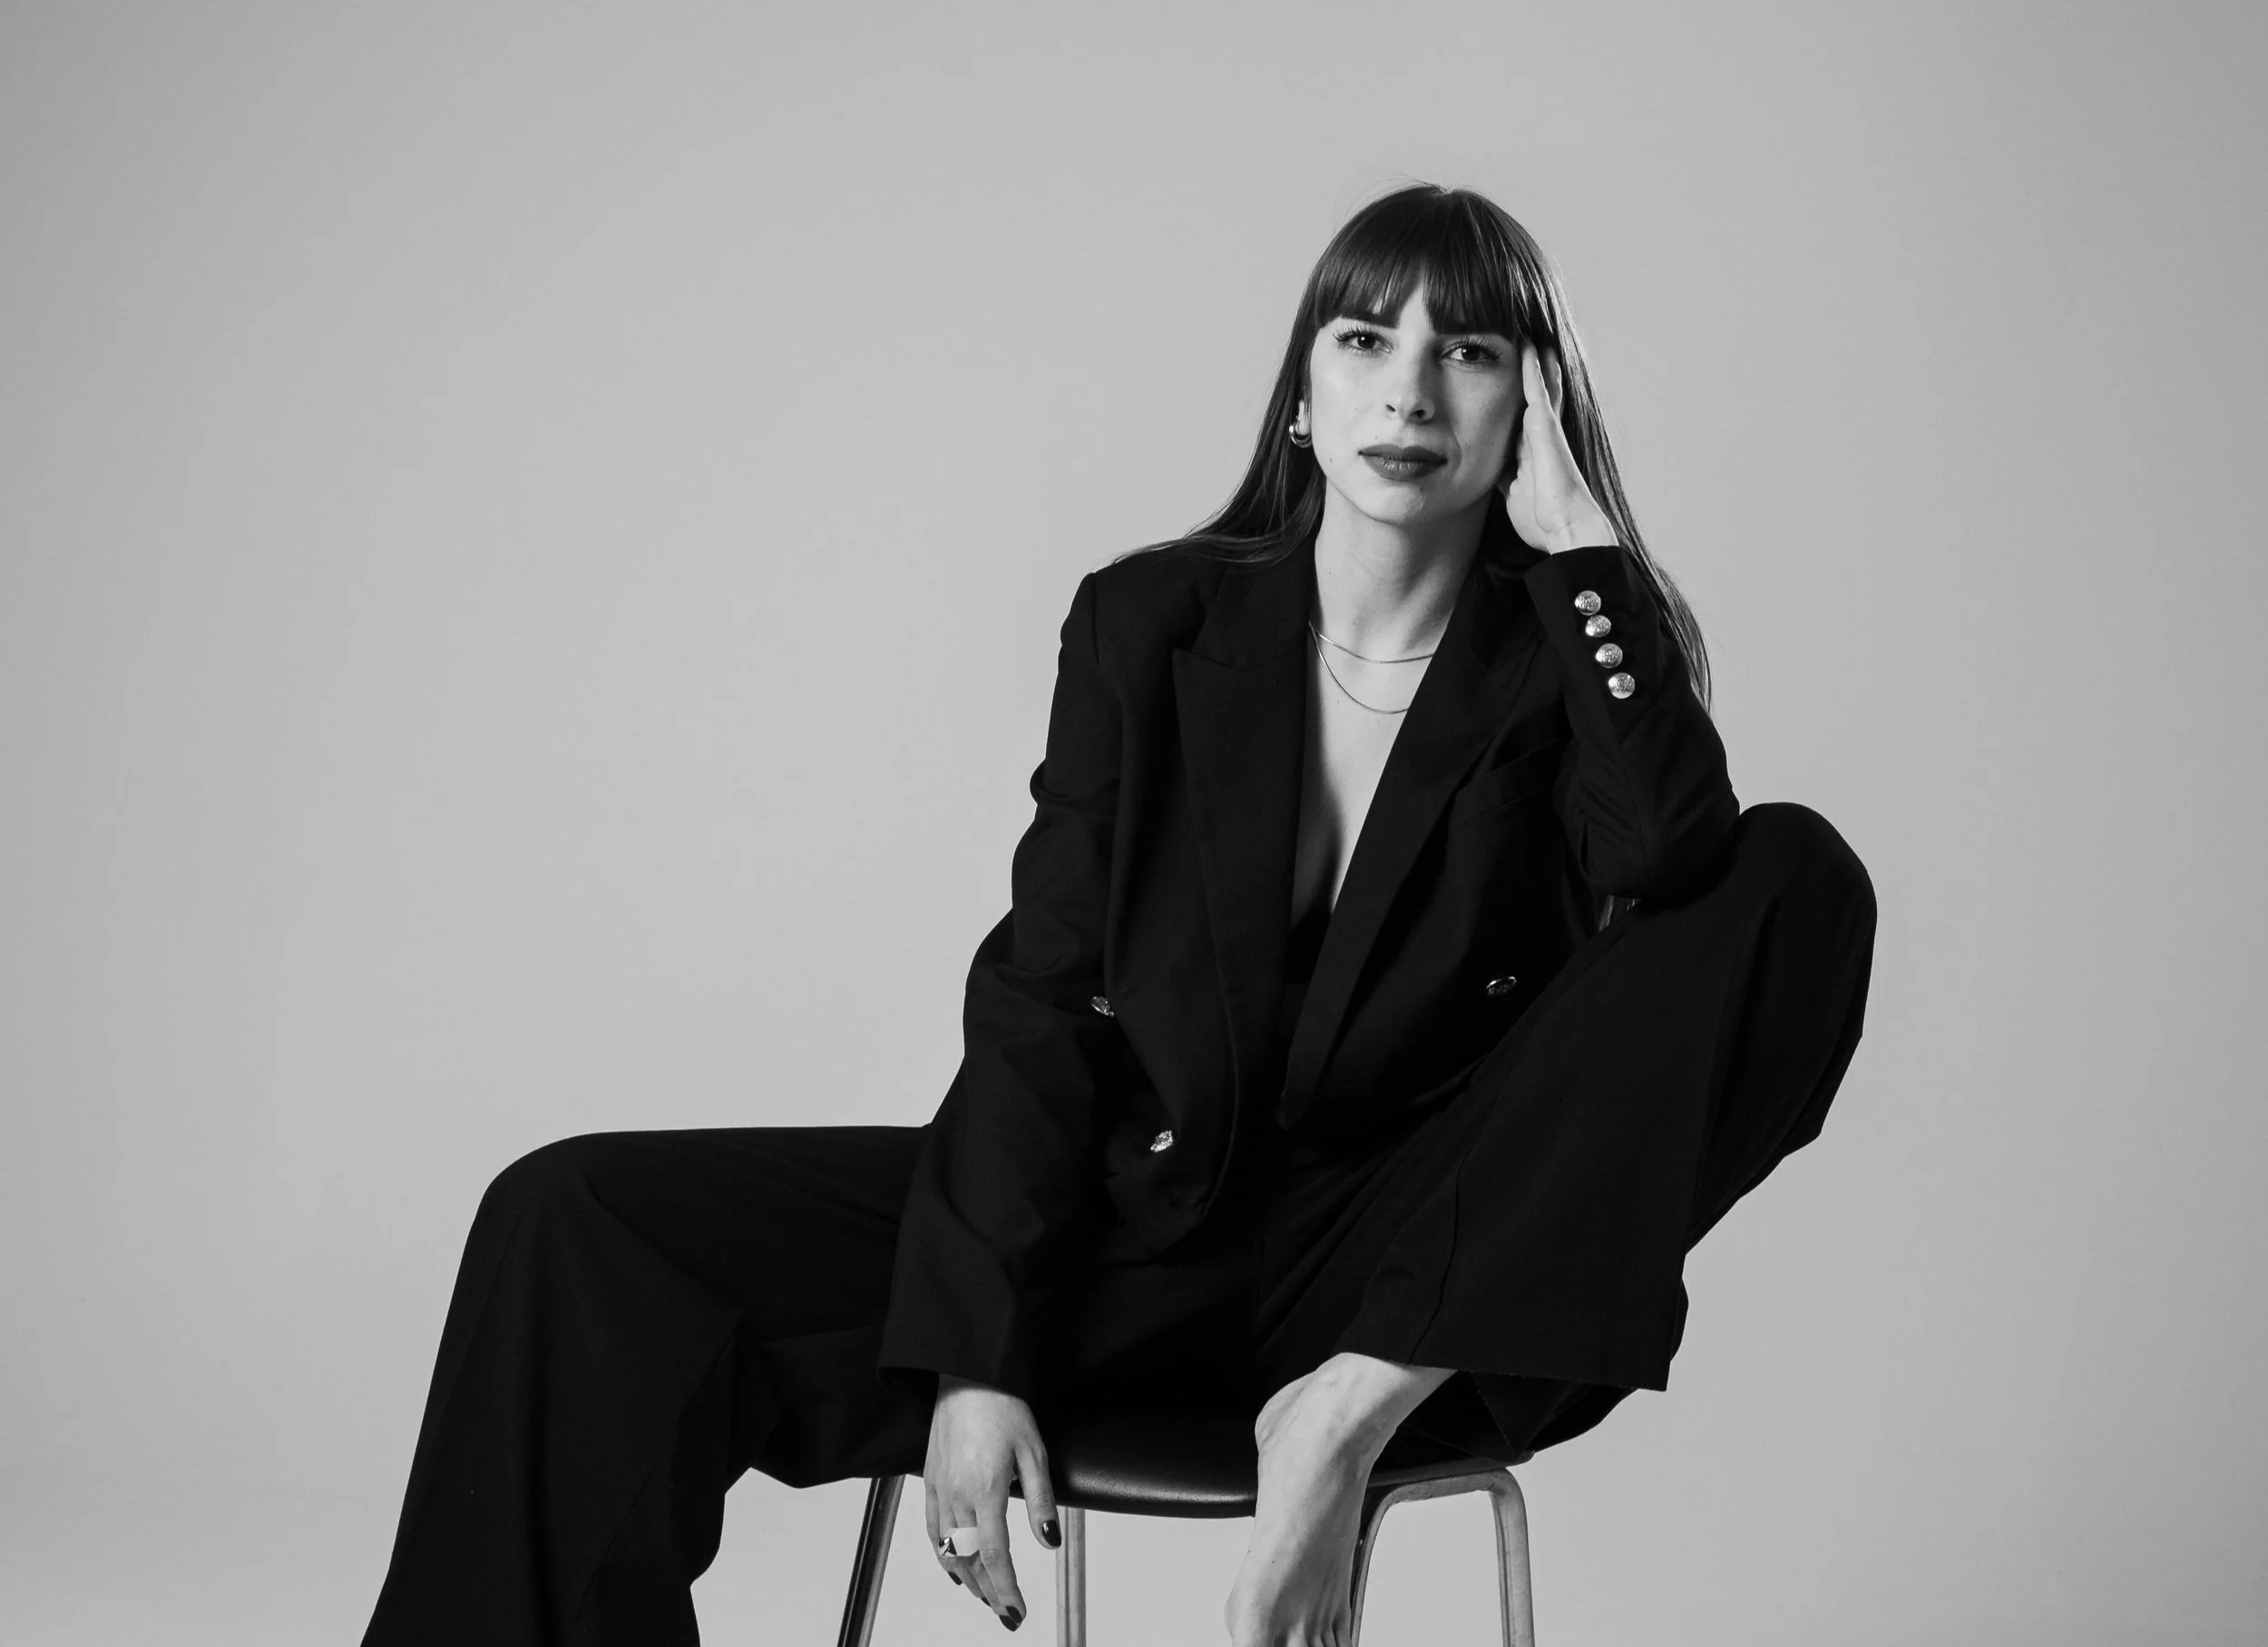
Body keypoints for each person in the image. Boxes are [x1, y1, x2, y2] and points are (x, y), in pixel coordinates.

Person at [360, 182, 1877, 1647]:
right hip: (1130, 1226)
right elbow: (1047, 990)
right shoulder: (1152, 624)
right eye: (1366, 339)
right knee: (577, 1224)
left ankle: (1337, 1413)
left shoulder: (1573, 662)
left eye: (1468, 352)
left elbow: (1674, 863)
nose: (1410, 390)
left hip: (1407, 1270)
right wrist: (977, 1348)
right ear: (1303, 396)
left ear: (1530, 409)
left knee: (1798, 873)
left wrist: (1584, 549)